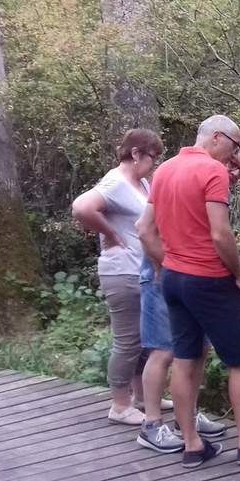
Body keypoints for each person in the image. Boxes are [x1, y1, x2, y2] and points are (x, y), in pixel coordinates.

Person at [137, 116, 240, 468]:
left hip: (176, 281)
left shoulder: (163, 171)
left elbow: (144, 230)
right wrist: (239, 274)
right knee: (238, 362)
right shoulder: (212, 172)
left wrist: (166, 265)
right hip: (210, 278)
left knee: (184, 359)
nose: (235, 154)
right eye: (235, 145)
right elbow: (220, 235)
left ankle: (192, 446)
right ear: (217, 138)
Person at [71, 128, 163, 426]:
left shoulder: (142, 184)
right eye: (152, 157)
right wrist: (110, 234)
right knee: (127, 341)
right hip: (121, 270)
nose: (154, 163)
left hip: (141, 270)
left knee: (144, 340)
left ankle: (141, 396)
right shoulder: (115, 182)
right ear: (136, 154)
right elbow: (82, 207)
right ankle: (120, 405)